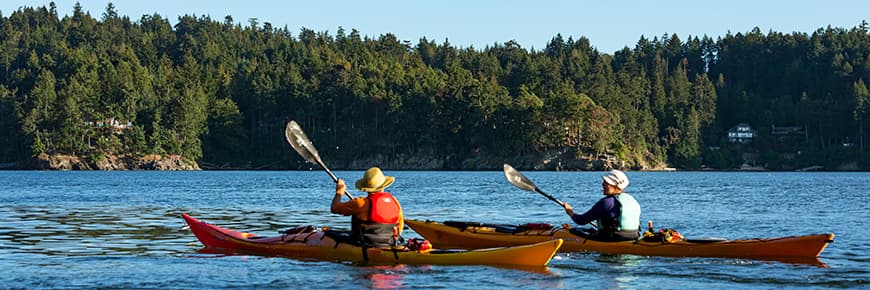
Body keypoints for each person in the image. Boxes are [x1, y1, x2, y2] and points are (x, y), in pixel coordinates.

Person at [331, 167, 404, 248]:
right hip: (389, 244)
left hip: (363, 244)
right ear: (383, 185)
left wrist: (339, 192)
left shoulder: (359, 203)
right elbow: (400, 227)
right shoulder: (395, 201)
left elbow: (334, 208)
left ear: (366, 187)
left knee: (331, 234)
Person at [562, 170, 641, 241]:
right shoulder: (632, 200)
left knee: (572, 232)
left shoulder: (606, 202)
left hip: (613, 238)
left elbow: (581, 220)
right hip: (634, 236)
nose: (602, 184)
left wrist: (570, 212)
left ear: (615, 186)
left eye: (606, 183)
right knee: (590, 230)